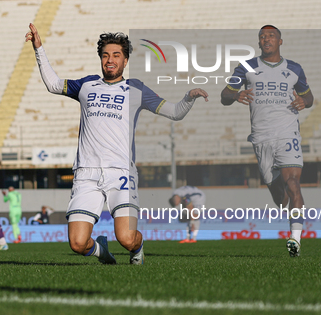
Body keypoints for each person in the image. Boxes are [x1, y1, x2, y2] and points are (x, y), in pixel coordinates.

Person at [26, 23, 208, 265]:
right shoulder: (86, 85)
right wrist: (38, 48)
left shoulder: (137, 89)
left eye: (116, 55)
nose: (109, 60)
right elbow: (53, 84)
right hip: (86, 175)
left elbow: (174, 113)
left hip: (121, 174)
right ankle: (102, 252)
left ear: (125, 61)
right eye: (105, 55)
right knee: (78, 243)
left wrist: (188, 97)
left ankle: (138, 249)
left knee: (127, 238)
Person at [221, 25, 314, 257]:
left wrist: (304, 102)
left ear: (280, 41)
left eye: (271, 36)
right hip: (261, 138)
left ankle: (295, 239)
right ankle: (288, 210)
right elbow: (224, 95)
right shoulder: (247, 67)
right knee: (279, 198)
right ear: (259, 42)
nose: (266, 39)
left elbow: (309, 97)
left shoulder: (294, 69)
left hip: (288, 133)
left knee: (293, 184)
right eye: (262, 36)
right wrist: (236, 94)